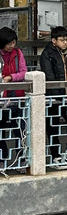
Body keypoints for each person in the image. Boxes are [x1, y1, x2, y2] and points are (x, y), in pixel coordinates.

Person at [39, 26, 67, 170]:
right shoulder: (47, 54)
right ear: (54, 41)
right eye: (62, 40)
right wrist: (56, 96)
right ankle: (55, 156)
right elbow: (49, 75)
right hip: (53, 98)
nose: (65, 42)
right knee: (52, 128)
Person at [0, 27, 27, 171]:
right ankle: (2, 158)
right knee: (0, 129)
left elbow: (24, 72)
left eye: (14, 42)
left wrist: (11, 77)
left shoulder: (18, 53)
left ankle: (21, 159)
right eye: (9, 43)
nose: (12, 46)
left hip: (17, 95)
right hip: (1, 98)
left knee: (20, 129)